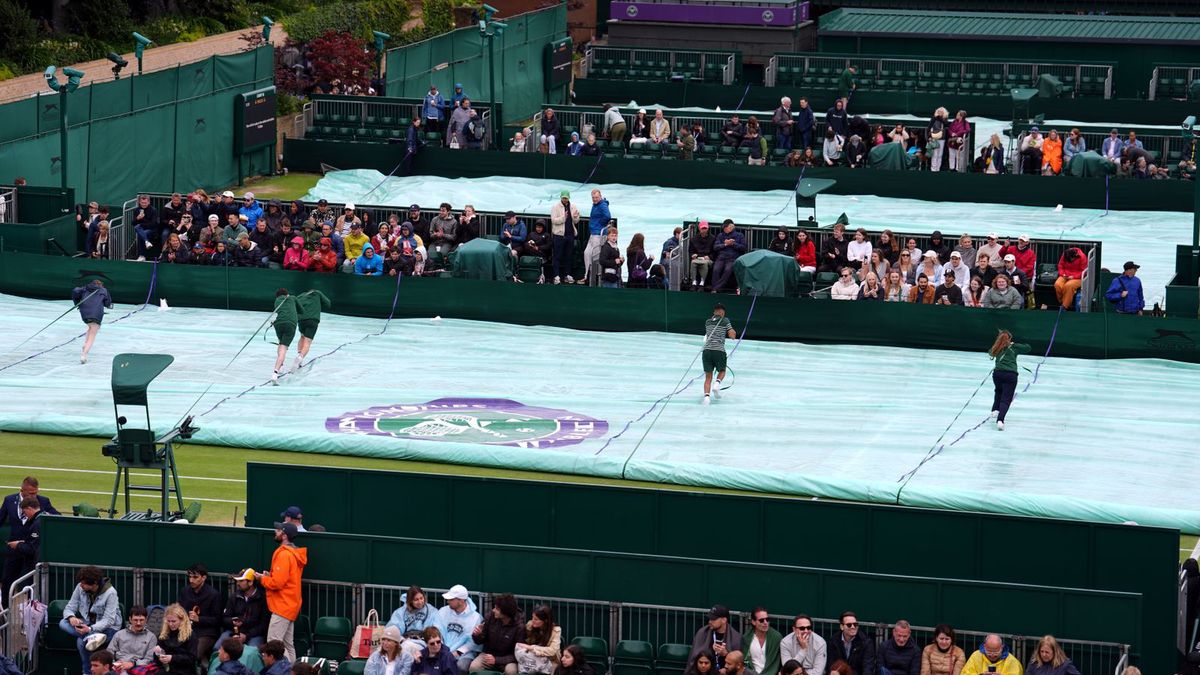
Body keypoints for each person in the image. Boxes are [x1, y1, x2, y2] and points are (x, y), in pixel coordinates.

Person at [259, 522, 308, 663]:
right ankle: (292, 671)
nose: (276, 532)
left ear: (284, 535)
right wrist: (269, 576)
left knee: (274, 643)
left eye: (278, 530)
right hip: (290, 604)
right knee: (287, 645)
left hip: (283, 605)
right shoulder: (292, 553)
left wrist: (262, 579)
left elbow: (277, 583)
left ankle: (284, 670)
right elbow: (283, 579)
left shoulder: (284, 555)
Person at [61, 570, 121, 672]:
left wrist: (90, 629)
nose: (81, 585)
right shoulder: (79, 588)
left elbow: (109, 621)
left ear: (95, 584)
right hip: (88, 625)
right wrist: (71, 617)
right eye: (81, 582)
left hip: (108, 629)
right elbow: (69, 607)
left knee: (81, 642)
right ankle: (91, 638)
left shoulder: (111, 593)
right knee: (63, 623)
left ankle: (87, 672)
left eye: (84, 583)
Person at [178, 563, 223, 669]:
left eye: (195, 577)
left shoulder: (214, 594)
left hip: (206, 634)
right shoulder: (185, 591)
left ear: (204, 578)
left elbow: (218, 620)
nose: (191, 580)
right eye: (189, 577)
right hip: (186, 630)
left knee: (194, 654)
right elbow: (179, 610)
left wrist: (199, 619)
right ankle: (203, 664)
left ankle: (202, 665)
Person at [1, 496, 43, 610]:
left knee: (32, 593)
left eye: (25, 512)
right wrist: (22, 542)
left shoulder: (37, 523)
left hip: (34, 564)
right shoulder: (43, 518)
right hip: (35, 564)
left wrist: (18, 545)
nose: (26, 516)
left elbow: (32, 549)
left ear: (29, 508)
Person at [217, 569, 269, 653]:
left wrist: (247, 635)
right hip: (233, 632)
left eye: (241, 581)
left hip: (254, 635)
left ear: (250, 582)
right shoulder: (234, 597)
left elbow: (264, 624)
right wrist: (232, 622)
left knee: (251, 653)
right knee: (217, 648)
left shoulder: (262, 599)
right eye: (238, 581)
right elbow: (224, 618)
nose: (238, 584)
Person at [988, 332, 1031, 431]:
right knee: (1006, 399)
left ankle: (995, 410)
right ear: (1009, 339)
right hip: (1010, 375)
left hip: (997, 374)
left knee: (998, 391)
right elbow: (1028, 348)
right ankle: (1000, 420)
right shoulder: (1013, 347)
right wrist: (1013, 344)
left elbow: (990, 353)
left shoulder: (997, 347)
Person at [436, 585, 483, 673]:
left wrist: (458, 652)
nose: (448, 601)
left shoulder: (476, 618)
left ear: (461, 601)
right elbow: (436, 630)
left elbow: (473, 643)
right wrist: (440, 648)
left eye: (451, 599)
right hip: (441, 649)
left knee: (461, 667)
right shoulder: (443, 611)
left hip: (465, 654)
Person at [71, 275, 113, 365]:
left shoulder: (85, 289)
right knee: (93, 335)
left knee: (90, 327)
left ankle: (85, 344)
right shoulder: (103, 290)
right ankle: (84, 354)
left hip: (84, 314)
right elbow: (108, 303)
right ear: (101, 285)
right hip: (96, 315)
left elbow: (75, 292)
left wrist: (77, 304)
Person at [514, 605, 560, 675]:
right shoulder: (530, 625)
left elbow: (552, 650)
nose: (533, 621)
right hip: (531, 658)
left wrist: (532, 648)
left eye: (536, 619)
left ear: (545, 620)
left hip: (550, 660)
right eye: (532, 617)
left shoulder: (556, 630)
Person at [109, 607, 157, 674]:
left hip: (139, 666)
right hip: (120, 664)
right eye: (135, 620)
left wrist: (132, 663)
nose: (138, 623)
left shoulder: (151, 637)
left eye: (141, 620)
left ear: (146, 620)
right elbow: (109, 652)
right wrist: (113, 663)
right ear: (130, 619)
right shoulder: (119, 634)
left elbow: (149, 659)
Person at [155, 604, 198, 675]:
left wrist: (172, 658)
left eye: (173, 621)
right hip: (167, 669)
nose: (171, 624)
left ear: (182, 620)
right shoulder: (163, 634)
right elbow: (157, 658)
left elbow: (192, 658)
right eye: (168, 621)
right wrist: (159, 656)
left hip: (185, 670)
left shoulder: (190, 635)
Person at [583, 190, 612, 282]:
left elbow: (607, 216)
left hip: (598, 234)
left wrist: (600, 224)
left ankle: (595, 277)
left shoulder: (602, 205)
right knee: (587, 253)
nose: (595, 199)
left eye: (596, 197)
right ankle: (587, 274)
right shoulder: (595, 205)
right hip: (593, 233)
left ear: (600, 196)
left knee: (595, 255)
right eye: (593, 198)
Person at [745, 607, 782, 675]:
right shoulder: (746, 638)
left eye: (767, 619)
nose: (765, 623)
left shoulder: (776, 637)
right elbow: (745, 661)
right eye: (761, 620)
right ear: (753, 622)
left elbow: (776, 663)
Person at [690, 221, 715, 289]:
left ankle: (702, 282)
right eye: (702, 228)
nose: (704, 230)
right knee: (693, 262)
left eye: (705, 228)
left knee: (704, 263)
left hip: (708, 259)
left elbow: (715, 252)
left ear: (708, 229)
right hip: (697, 258)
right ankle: (694, 282)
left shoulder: (713, 238)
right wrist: (693, 255)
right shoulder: (694, 239)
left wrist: (709, 256)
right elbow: (691, 251)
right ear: (699, 228)